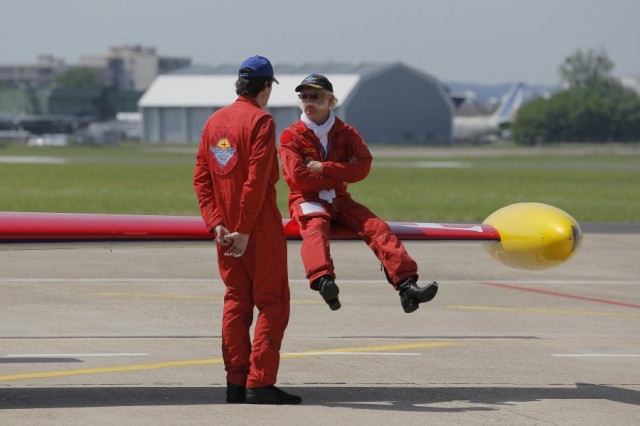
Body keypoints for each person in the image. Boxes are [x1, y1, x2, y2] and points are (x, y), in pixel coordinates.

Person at [279, 74, 438, 314]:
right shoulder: (290, 135)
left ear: (330, 100)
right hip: (306, 198)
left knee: (377, 227)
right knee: (315, 227)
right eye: (303, 97)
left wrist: (325, 167)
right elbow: (298, 178)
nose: (308, 102)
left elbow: (363, 166)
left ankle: (407, 286)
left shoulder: (346, 132)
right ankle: (324, 281)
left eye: (315, 96)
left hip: (340, 199)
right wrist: (344, 173)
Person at [193, 55, 301, 405]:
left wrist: (217, 223)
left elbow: (202, 178)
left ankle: (235, 383)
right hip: (258, 227)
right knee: (272, 303)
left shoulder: (214, 121)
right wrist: (244, 229)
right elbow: (256, 183)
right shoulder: (261, 121)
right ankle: (260, 382)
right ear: (265, 86)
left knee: (236, 302)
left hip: (224, 230)